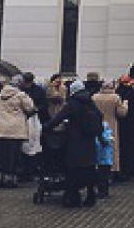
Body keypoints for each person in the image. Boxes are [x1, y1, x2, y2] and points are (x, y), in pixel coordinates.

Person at [44, 78, 103, 207]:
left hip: (75, 141)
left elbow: (58, 118)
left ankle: (72, 197)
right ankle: (90, 195)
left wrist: (46, 127)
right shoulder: (90, 102)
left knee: (73, 170)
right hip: (89, 141)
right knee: (89, 168)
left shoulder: (73, 103)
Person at [0, 74, 36, 188]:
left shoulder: (0, 95)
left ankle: (1, 177)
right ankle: (11, 179)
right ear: (20, 84)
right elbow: (31, 108)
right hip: (15, 129)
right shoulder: (21, 95)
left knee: (0, 155)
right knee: (13, 155)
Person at [92, 80, 128, 179]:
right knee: (111, 148)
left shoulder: (94, 97)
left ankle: (97, 168)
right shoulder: (115, 98)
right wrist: (125, 104)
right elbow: (121, 113)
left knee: (98, 147)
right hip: (111, 123)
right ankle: (112, 170)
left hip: (98, 124)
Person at [96, 120, 114, 199]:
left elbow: (100, 144)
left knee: (102, 177)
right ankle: (105, 192)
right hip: (107, 160)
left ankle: (102, 192)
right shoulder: (109, 134)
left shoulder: (101, 136)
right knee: (105, 177)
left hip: (102, 160)